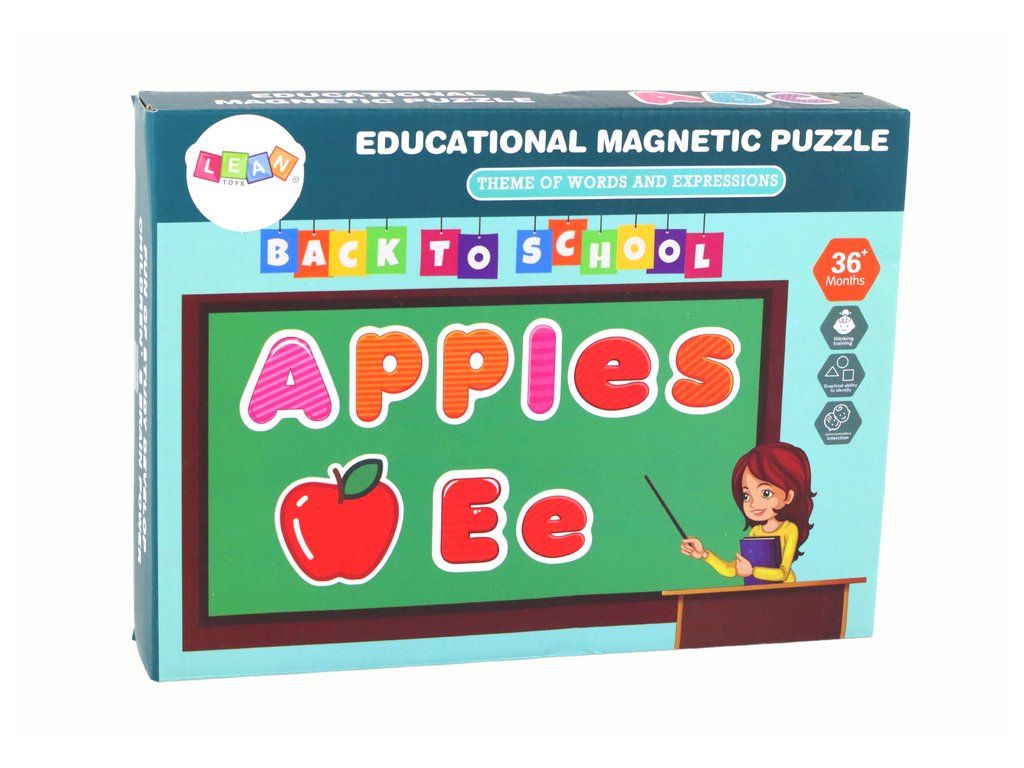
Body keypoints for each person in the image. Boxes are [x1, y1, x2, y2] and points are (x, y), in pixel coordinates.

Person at [680, 442, 814, 583]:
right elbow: (731, 570)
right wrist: (703, 554)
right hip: (758, 591)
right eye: (746, 495)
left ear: (789, 496)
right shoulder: (756, 532)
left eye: (766, 493)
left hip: (785, 591)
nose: (753, 504)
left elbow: (782, 573)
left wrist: (752, 571)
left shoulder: (790, 529)